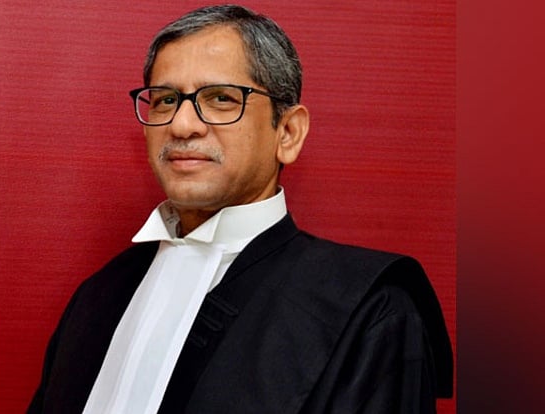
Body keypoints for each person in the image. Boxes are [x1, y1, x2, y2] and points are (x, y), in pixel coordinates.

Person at [27, 4, 453, 413]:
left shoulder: (370, 309)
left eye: (221, 98)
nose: (182, 125)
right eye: (165, 100)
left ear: (288, 132)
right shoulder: (97, 297)